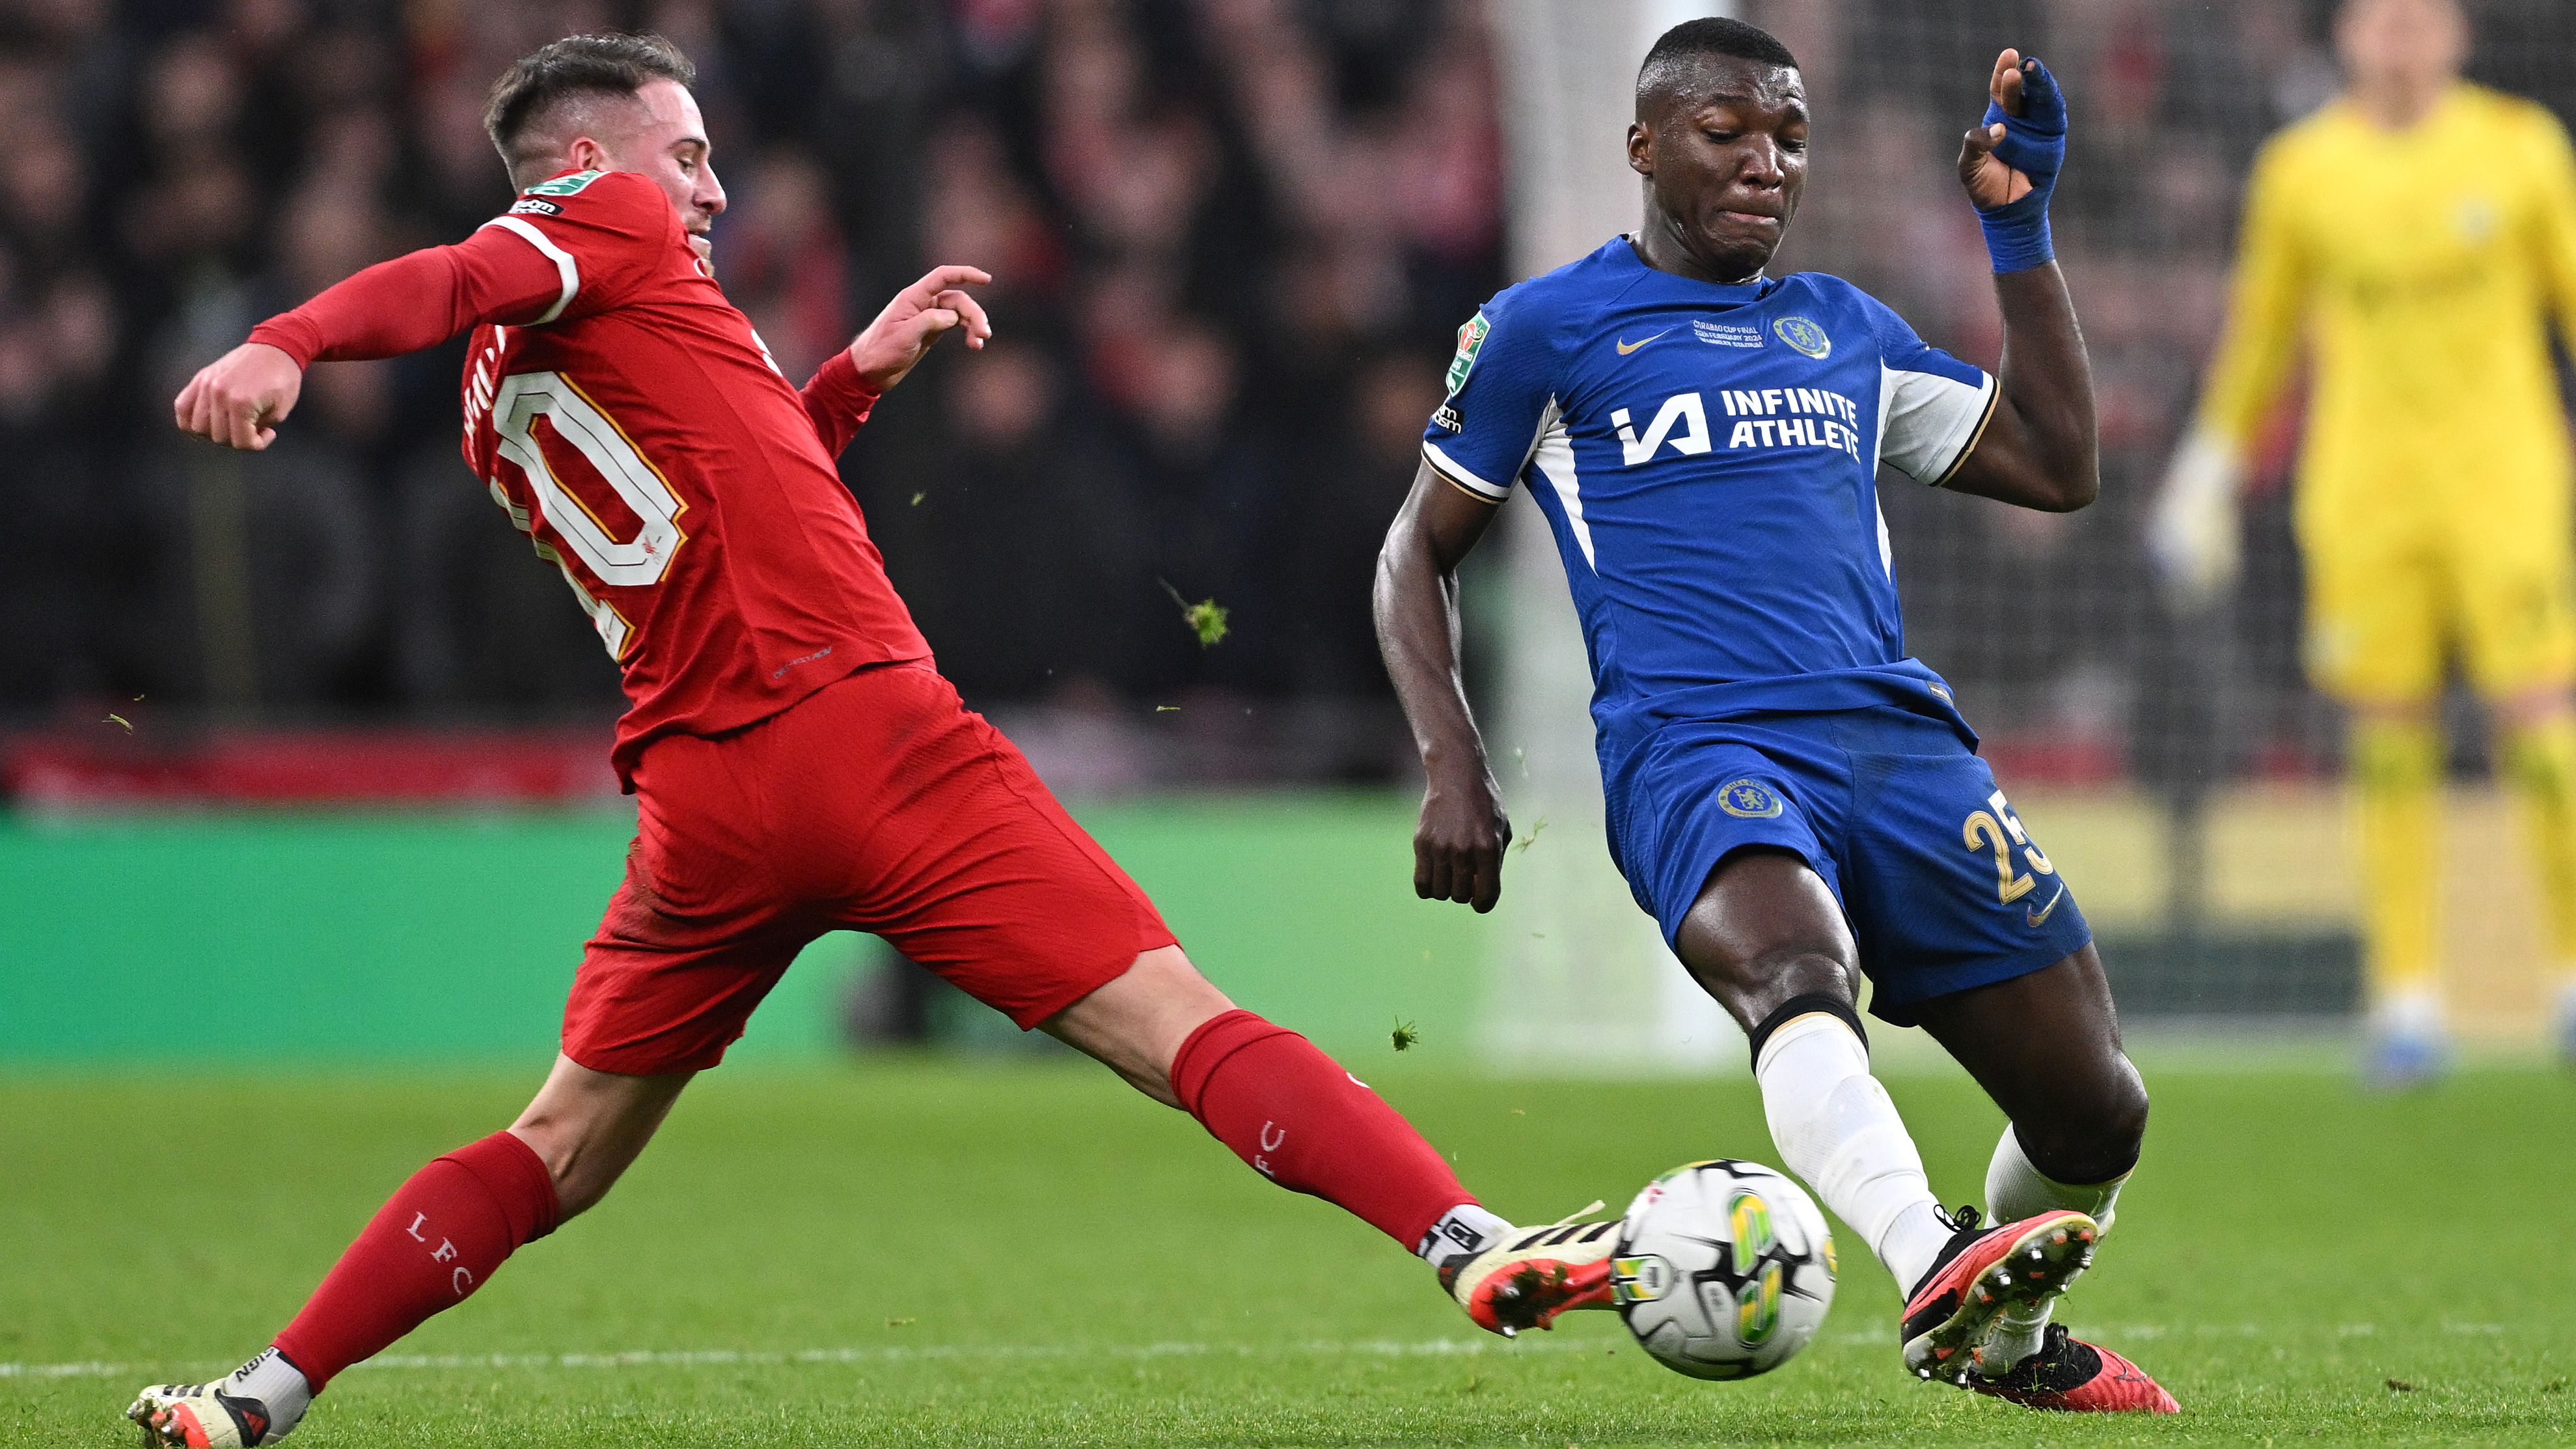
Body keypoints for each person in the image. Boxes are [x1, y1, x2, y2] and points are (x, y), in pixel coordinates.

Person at [130, 33, 1526, 1447]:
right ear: (585, 165)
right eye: (688, 155)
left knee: (554, 1147)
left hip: (705, 809)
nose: (714, 191)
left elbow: (727, 493)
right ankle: (1465, 1239)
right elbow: (448, 272)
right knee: (1178, 1027)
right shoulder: (594, 223)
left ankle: (266, 1391)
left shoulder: (502, 397)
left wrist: (849, 378)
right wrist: (283, 339)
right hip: (866, 738)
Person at [1375, 18, 2176, 1414]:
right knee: (1796, 978)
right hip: (1698, 749)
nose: (1764, 164)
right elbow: (1409, 556)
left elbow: (2057, 467)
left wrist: (2016, 229)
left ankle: (2001, 1328)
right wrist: (1451, 761)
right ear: (1642, 147)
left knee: (2095, 1110)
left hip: (1894, 748)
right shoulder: (1544, 330)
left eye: (1787, 139)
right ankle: (1934, 1259)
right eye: (1725, 132)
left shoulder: (1842, 331)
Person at [2150, 0, 2576, 1086]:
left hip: (2504, 485)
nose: (2398, 38)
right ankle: (2407, 999)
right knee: (2387, 743)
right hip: (2361, 493)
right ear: (2344, 38)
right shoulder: (2301, 169)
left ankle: (2570, 979)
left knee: (2541, 731)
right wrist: (2206, 473)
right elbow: (2261, 333)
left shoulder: (2521, 149)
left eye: (2418, 19)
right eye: (2378, 20)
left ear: (2456, 35)